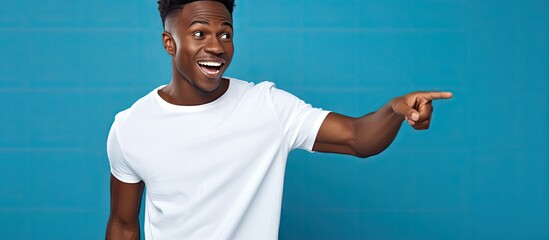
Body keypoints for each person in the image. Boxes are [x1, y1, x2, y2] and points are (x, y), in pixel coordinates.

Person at [105, 0, 453, 239]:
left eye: (225, 34)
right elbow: (123, 224)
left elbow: (356, 137)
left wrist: (393, 110)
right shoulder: (131, 126)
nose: (216, 46)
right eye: (199, 33)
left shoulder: (266, 106)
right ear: (170, 42)